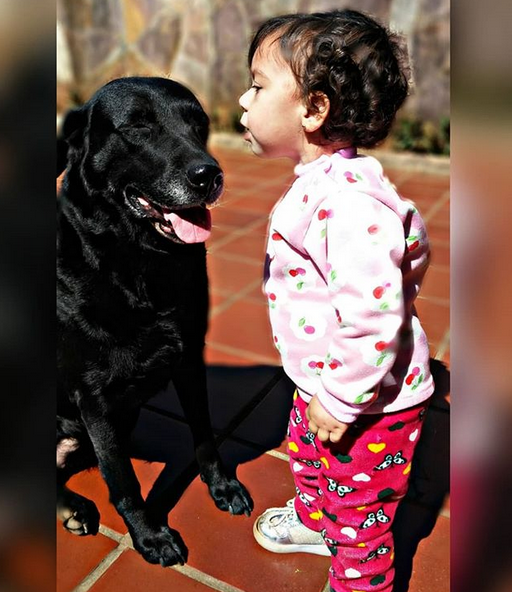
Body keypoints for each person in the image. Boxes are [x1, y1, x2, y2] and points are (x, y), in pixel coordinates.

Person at [238, 9, 434, 592]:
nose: (243, 103)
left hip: (369, 403)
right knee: (309, 457)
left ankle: (360, 578)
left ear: (314, 109)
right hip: (326, 383)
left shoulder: (350, 206)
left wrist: (344, 398)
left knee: (361, 514)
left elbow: (376, 316)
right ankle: (314, 517)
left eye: (257, 85)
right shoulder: (321, 184)